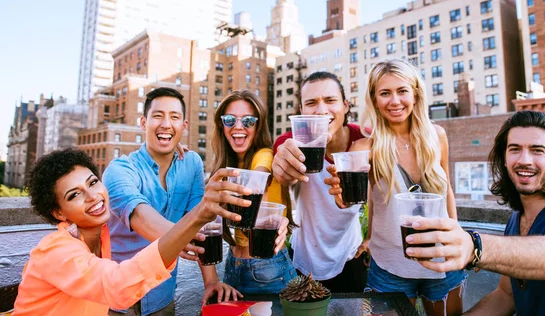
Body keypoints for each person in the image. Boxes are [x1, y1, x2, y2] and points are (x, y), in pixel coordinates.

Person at [12, 148, 252, 316]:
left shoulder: (100, 236)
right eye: (74, 195)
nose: (93, 196)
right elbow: (117, 285)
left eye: (93, 182)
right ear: (58, 213)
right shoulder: (55, 250)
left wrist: (170, 153)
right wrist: (198, 214)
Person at [409, 110, 545, 315]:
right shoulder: (516, 221)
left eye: (537, 150)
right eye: (515, 149)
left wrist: (473, 246)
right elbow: (506, 296)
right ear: (505, 157)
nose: (524, 160)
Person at [325, 60, 463, 316]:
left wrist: (458, 237)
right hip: (390, 267)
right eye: (385, 93)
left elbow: (448, 192)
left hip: (443, 261)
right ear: (375, 100)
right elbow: (354, 201)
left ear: (415, 94)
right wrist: (342, 198)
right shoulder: (365, 148)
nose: (395, 101)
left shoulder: (438, 136)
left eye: (402, 91)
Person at [103, 87, 239, 315]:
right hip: (117, 301)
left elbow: (200, 222)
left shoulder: (192, 163)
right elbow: (141, 218)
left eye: (174, 117)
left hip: (162, 297)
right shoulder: (119, 170)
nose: (166, 124)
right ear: (143, 123)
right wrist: (187, 236)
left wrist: (211, 281)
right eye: (158, 116)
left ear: (184, 126)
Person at [272, 71, 368, 292]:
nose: (322, 110)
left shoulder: (364, 140)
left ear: (345, 105)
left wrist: (371, 238)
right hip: (304, 261)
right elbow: (282, 165)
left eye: (330, 100)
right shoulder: (291, 142)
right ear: (302, 111)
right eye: (311, 103)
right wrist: (282, 166)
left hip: (351, 256)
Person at [211, 90, 295, 294]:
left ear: (258, 126)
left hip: (268, 269)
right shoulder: (225, 165)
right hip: (233, 265)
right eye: (230, 120)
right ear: (222, 126)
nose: (238, 126)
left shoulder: (264, 155)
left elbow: (260, 176)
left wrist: (252, 186)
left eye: (248, 120)